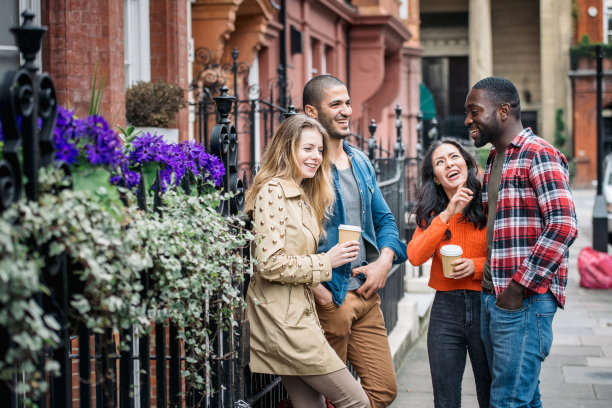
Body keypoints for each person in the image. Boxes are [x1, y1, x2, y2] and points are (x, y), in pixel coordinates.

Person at [464, 76, 578, 407]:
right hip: (495, 297)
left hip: (524, 301)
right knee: (524, 398)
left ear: (503, 111)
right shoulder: (496, 160)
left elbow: (564, 225)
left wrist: (518, 288)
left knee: (508, 401)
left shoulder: (538, 154)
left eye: (474, 111)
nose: (468, 120)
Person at [244, 114, 369, 408]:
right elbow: (269, 263)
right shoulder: (273, 191)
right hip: (284, 323)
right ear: (287, 149)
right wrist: (326, 261)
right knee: (356, 401)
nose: (316, 157)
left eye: (320, 150)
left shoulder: (302, 194)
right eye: (307, 148)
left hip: (298, 317)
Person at [303, 74, 408, 408]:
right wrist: (319, 292)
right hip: (329, 297)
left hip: (365, 295)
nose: (346, 110)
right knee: (329, 398)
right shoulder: (304, 167)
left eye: (347, 103)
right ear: (311, 111)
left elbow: (386, 220)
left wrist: (384, 262)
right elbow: (286, 237)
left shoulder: (361, 162)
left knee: (383, 390)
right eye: (335, 104)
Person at [407, 139, 491, 408]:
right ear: (435, 176)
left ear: (467, 163)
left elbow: (505, 255)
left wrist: (475, 267)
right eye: (440, 162)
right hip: (445, 310)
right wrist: (446, 214)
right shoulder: (433, 212)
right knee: (445, 400)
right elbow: (415, 255)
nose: (449, 164)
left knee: (489, 395)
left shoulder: (489, 203)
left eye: (454, 157)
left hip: (485, 306)